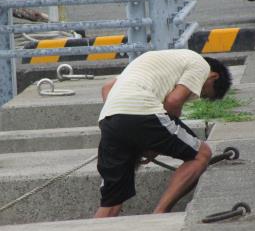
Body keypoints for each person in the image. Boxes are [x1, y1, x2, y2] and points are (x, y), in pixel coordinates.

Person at [94, 49, 232, 218]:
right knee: (201, 155)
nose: (197, 94)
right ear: (214, 77)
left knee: (111, 201)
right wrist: (153, 145)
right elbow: (173, 102)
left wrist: (129, 129)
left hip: (109, 120)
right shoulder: (201, 65)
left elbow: (107, 88)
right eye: (203, 92)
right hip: (144, 112)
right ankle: (159, 215)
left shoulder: (153, 59)